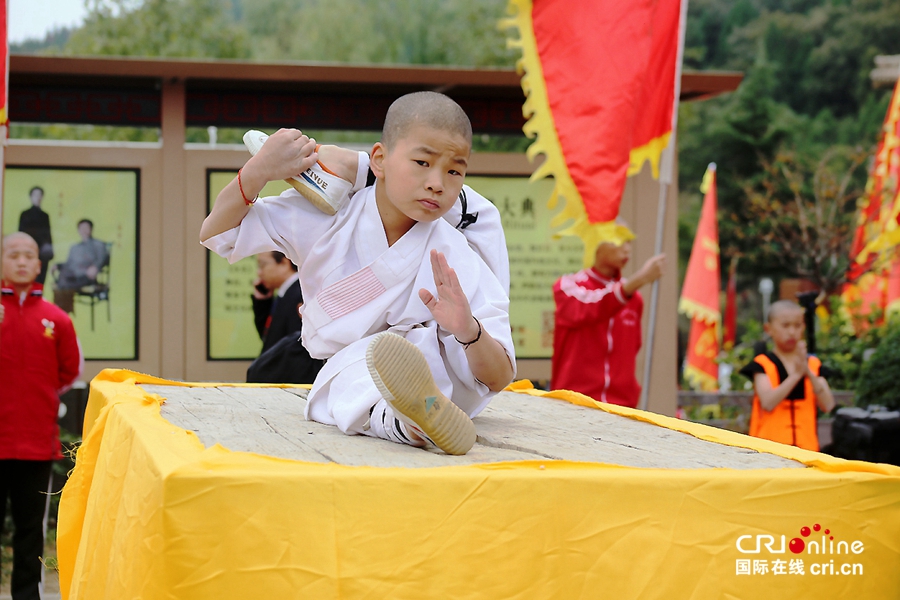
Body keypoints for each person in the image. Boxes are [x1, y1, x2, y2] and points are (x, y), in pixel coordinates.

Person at [201, 91, 516, 455]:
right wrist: (258, 172)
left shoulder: (456, 255)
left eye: (454, 170)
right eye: (421, 162)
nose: (437, 183)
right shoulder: (328, 216)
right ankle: (411, 422)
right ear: (380, 159)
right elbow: (218, 234)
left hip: (441, 382)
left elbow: (498, 376)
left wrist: (468, 330)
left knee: (362, 366)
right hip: (357, 373)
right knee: (356, 366)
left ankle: (408, 417)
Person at [1, 232, 82, 600]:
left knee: (31, 532)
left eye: (28, 255)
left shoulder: (57, 320)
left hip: (35, 445)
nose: (20, 261)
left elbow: (68, 373)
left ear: (39, 265)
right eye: (12, 254)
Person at [551, 227, 666, 407]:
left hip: (621, 406)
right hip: (574, 403)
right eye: (618, 239)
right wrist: (639, 280)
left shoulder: (634, 298)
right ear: (596, 242)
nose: (626, 248)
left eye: (628, 241)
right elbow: (591, 306)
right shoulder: (568, 286)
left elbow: (633, 348)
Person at [739, 299, 835, 451]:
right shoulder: (762, 364)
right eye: (785, 325)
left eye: (797, 326)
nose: (792, 332)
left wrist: (807, 372)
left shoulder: (813, 364)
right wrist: (796, 375)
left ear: (803, 327)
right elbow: (768, 403)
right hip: (769, 452)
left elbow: (828, 405)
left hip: (807, 451)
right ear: (768, 329)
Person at [246, 251, 324, 384]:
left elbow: (298, 347)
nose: (259, 272)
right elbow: (270, 338)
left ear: (284, 262)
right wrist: (263, 303)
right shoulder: (286, 293)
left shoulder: (301, 294)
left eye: (263, 265)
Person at [52, 219, 109, 313]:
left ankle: (61, 312)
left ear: (91, 229)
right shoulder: (74, 248)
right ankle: (63, 312)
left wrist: (96, 267)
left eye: (86, 228)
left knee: (61, 283)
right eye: (82, 228)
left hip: (87, 276)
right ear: (78, 230)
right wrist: (57, 266)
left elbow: (103, 259)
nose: (84, 230)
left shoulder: (98, 245)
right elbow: (69, 264)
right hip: (72, 276)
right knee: (64, 276)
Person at [18, 186, 54, 285]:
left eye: (40, 195)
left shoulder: (45, 215)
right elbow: (21, 234)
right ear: (31, 197)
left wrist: (49, 251)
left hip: (42, 254)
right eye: (35, 195)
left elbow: (47, 234)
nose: (38, 198)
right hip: (29, 252)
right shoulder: (25, 214)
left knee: (41, 279)